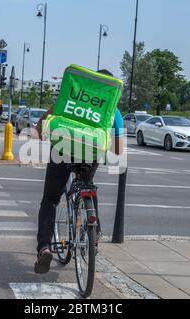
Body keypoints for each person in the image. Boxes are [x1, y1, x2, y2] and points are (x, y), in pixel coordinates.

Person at [34, 69, 124, 274]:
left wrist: (42, 134)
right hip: (90, 155)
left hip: (62, 151)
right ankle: (95, 232)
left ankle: (45, 248)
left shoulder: (71, 98)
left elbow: (40, 127)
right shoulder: (112, 110)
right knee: (88, 187)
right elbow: (118, 151)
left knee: (50, 199)